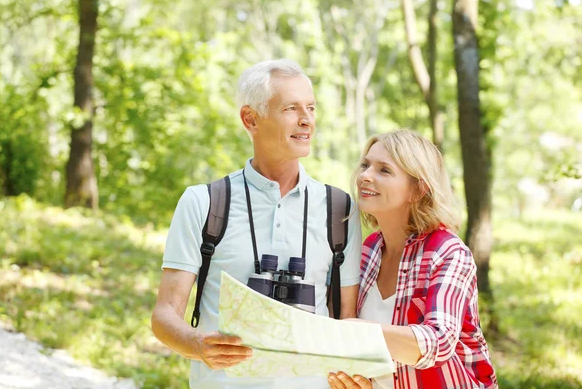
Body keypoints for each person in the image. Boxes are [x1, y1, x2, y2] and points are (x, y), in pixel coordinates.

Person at [151, 59, 363, 389]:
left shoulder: (338, 209)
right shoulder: (203, 203)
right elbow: (164, 316)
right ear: (250, 119)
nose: (306, 120)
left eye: (311, 108)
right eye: (291, 108)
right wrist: (199, 346)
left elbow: (347, 322)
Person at [328, 130, 497, 389]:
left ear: (418, 190)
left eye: (384, 170)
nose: (365, 176)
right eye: (365, 165)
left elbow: (438, 341)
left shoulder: (448, 252)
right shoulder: (367, 250)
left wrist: (357, 332)